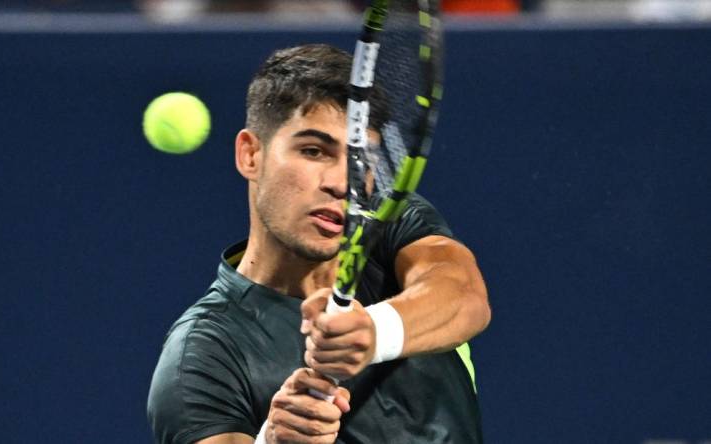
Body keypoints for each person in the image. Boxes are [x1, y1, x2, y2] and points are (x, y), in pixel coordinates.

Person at [147, 44, 491, 444]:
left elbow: (465, 295)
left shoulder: (385, 224)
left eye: (361, 161)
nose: (342, 184)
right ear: (250, 154)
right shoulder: (202, 354)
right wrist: (272, 441)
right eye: (314, 151)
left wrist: (374, 332)